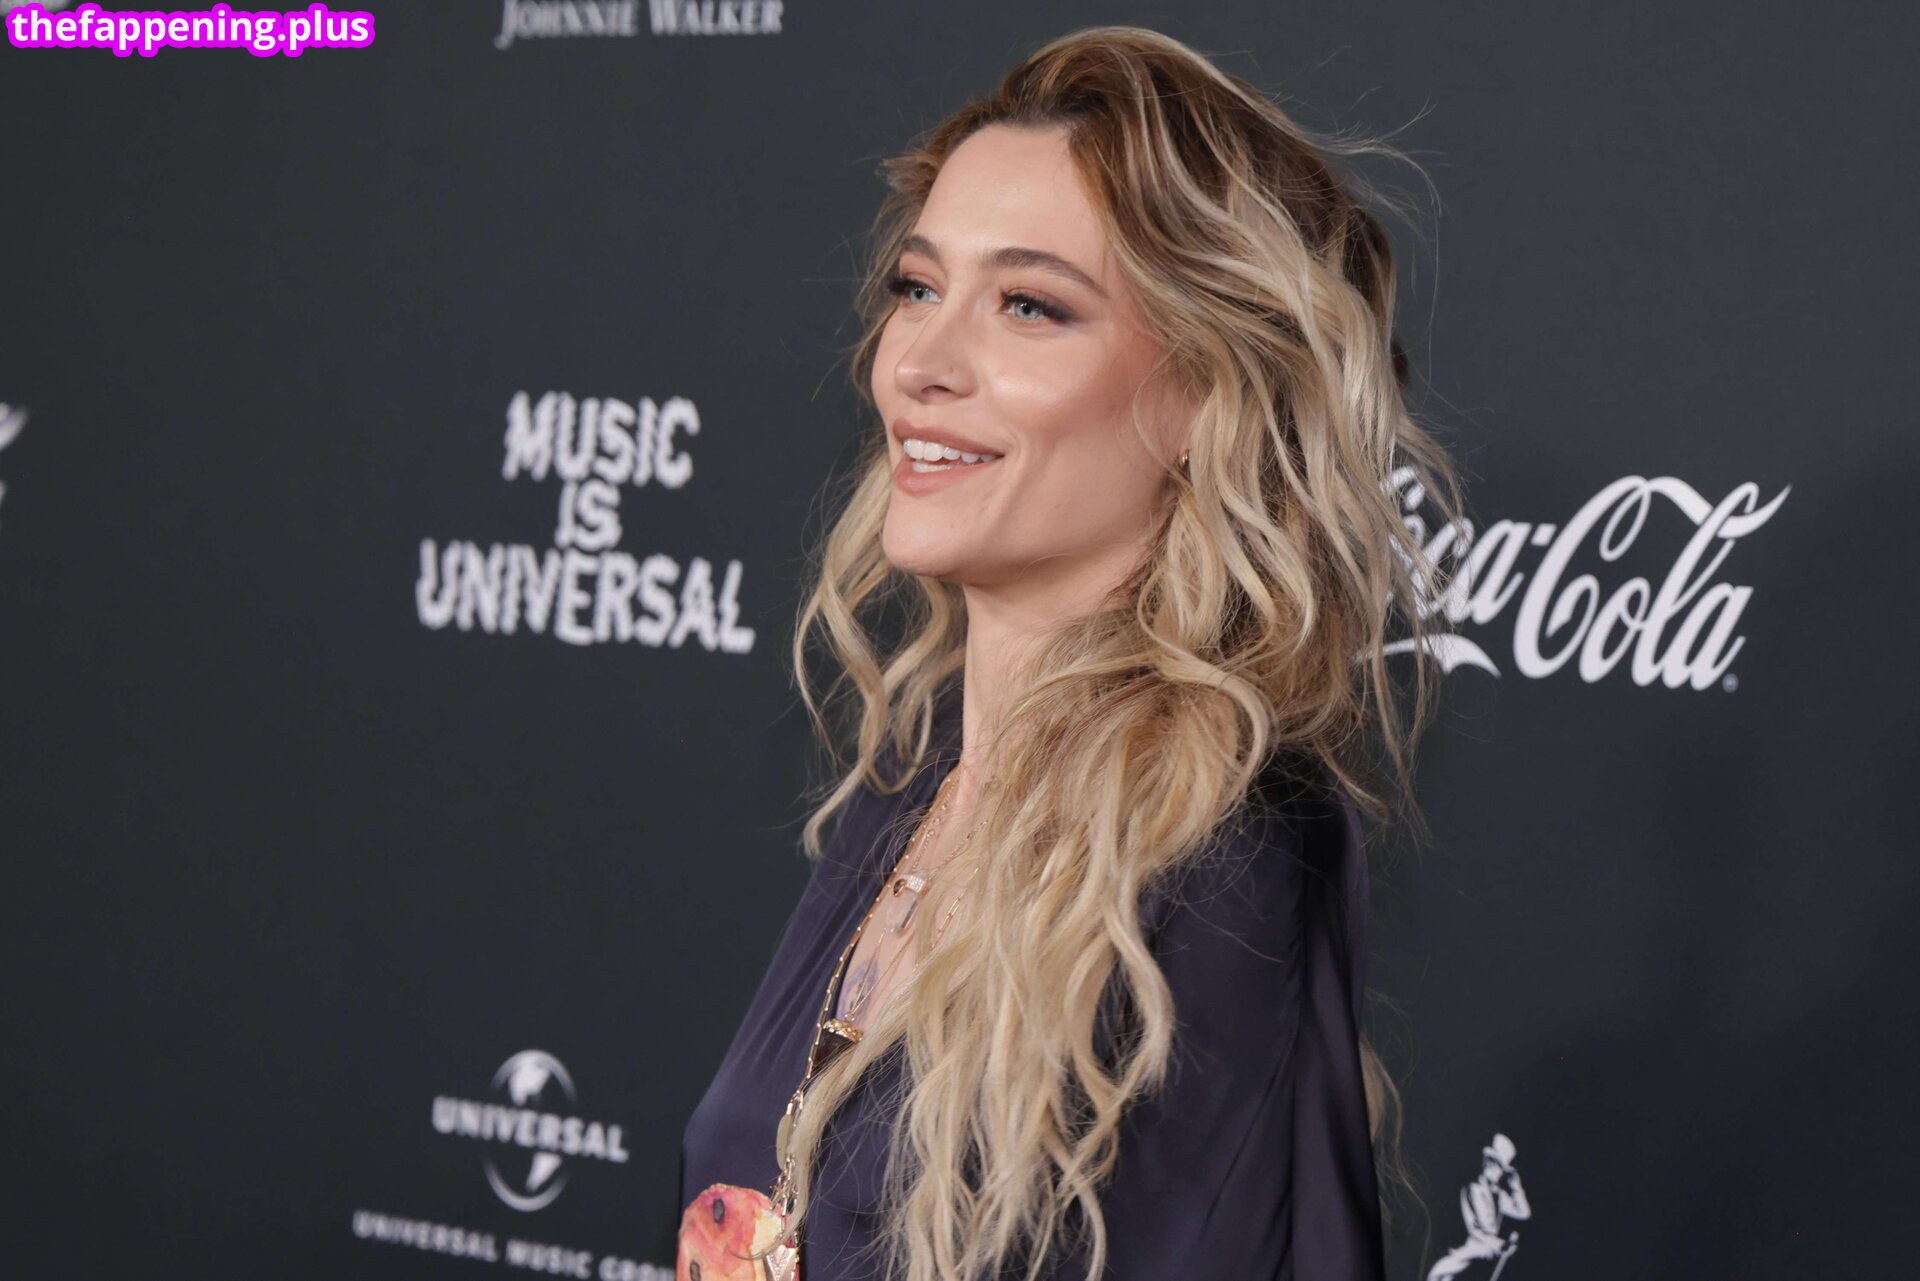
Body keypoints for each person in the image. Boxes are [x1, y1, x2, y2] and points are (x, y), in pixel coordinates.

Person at [679, 23, 1467, 1281]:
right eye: (918, 288)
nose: (921, 364)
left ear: (1208, 391)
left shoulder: (1226, 844)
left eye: (1030, 307)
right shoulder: (914, 781)